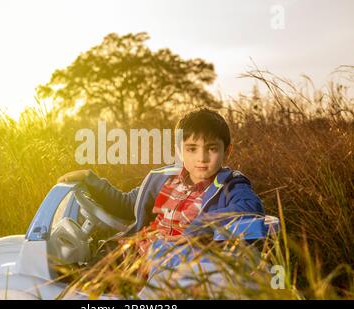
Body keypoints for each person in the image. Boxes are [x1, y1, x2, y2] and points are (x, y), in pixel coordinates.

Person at [57, 108, 264, 275]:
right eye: (192, 148)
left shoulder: (230, 186)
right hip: (137, 254)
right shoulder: (163, 180)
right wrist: (91, 181)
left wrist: (200, 228)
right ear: (179, 150)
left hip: (181, 265)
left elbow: (250, 207)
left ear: (227, 150)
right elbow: (128, 205)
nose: (201, 158)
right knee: (92, 263)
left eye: (211, 148)